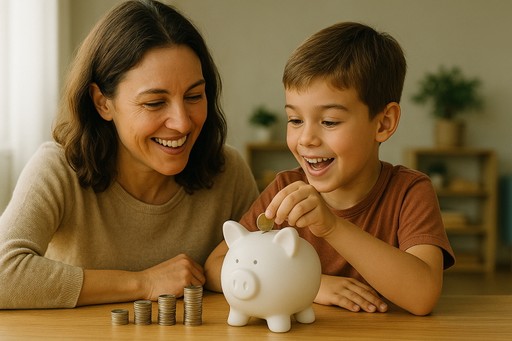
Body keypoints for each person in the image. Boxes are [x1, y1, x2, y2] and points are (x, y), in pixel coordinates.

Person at [0, 0, 258, 309]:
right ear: (102, 103)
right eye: (154, 102)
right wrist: (144, 283)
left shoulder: (228, 171)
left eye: (194, 96)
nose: (182, 122)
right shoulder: (58, 168)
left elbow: (266, 269)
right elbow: (4, 273)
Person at [205, 22, 455, 316]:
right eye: (295, 120)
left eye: (330, 121)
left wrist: (332, 227)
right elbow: (215, 266)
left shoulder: (410, 192)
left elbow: (422, 296)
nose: (306, 139)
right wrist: (313, 284)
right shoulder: (287, 190)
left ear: (383, 123)